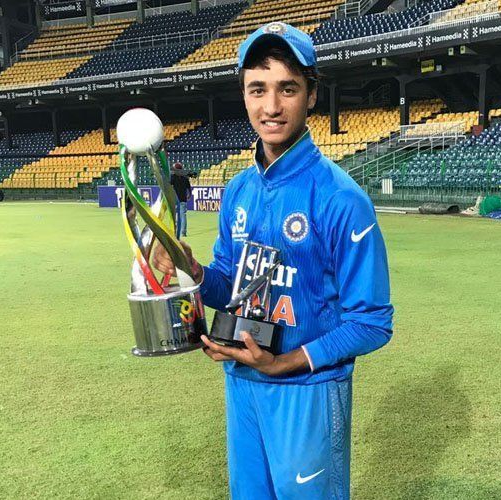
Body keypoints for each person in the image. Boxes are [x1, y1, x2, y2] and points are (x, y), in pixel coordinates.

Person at [153, 22, 393, 499]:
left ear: (311, 95)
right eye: (257, 89)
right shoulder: (238, 189)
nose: (271, 107)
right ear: (243, 94)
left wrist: (285, 362)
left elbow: (373, 322)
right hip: (241, 381)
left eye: (287, 89)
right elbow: (231, 288)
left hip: (307, 391)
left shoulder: (341, 199)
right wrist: (196, 273)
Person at [170, 161, 191, 239]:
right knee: (183, 215)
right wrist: (190, 194)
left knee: (174, 215)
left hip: (175, 199)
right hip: (183, 199)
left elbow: (170, 185)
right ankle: (183, 232)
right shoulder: (185, 177)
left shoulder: (173, 176)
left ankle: (175, 230)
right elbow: (189, 187)